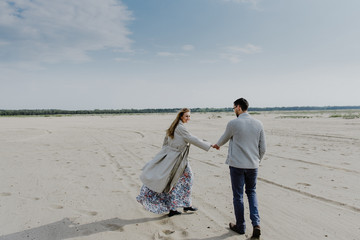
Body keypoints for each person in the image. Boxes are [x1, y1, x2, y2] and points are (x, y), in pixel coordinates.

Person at [136, 108, 212, 217]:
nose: (188, 118)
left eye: (189, 116)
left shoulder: (174, 126)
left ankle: (180, 206)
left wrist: (166, 155)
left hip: (174, 158)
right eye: (186, 116)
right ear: (181, 116)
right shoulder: (180, 127)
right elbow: (191, 138)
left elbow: (165, 142)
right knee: (186, 180)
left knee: (176, 182)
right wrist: (209, 145)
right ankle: (182, 206)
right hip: (177, 160)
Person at [212, 98, 266, 239]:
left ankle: (240, 226)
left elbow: (223, 138)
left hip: (237, 165)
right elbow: (263, 148)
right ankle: (256, 225)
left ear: (239, 108)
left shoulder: (234, 123)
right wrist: (256, 160)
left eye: (234, 107)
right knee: (252, 193)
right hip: (253, 166)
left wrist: (216, 145)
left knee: (238, 195)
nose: (234, 110)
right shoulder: (258, 123)